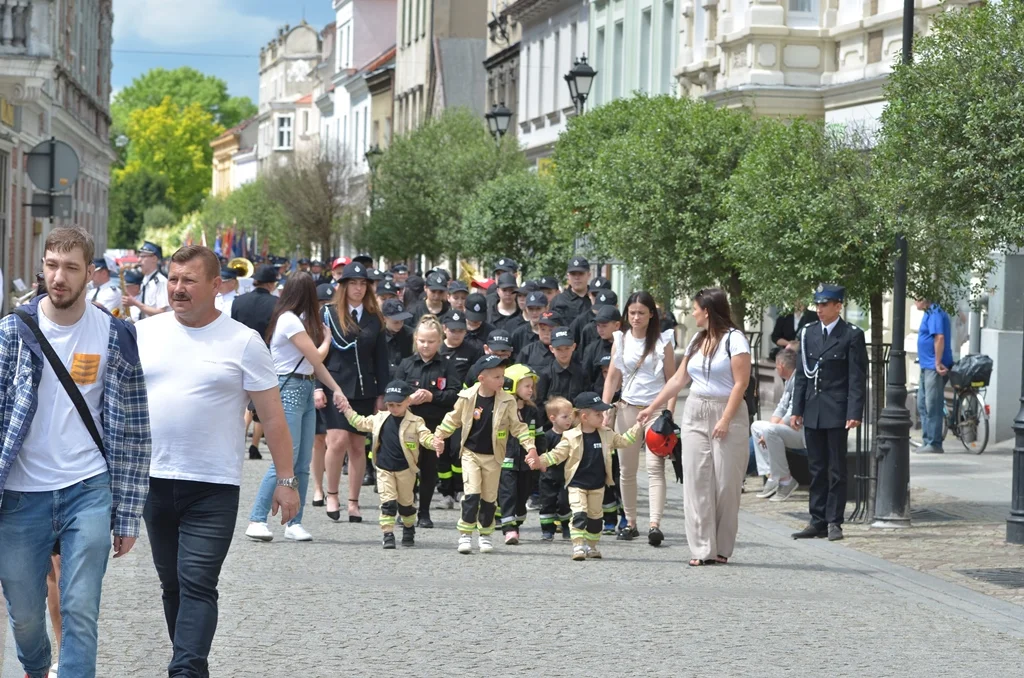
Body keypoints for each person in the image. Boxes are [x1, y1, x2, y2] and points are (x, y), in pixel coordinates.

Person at [136, 246, 300, 676]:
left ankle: (184, 671)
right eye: (173, 279)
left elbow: (274, 419)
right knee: (172, 586)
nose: (178, 288)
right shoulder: (145, 333)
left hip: (213, 486)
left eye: (189, 280)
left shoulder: (243, 341)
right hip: (154, 481)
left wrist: (287, 480)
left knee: (197, 583)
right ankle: (192, 666)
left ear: (215, 285)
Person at [0, 227, 151, 678]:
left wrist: (127, 515)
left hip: (88, 487)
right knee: (25, 612)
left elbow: (134, 432)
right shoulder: (12, 331)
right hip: (21, 494)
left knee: (80, 606)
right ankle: (37, 666)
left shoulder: (114, 334)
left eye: (70, 267)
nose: (58, 277)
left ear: (90, 272)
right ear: (41, 268)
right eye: (51, 266)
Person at [639, 288, 751, 566]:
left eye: (696, 308)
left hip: (728, 410)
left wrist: (725, 419)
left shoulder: (735, 340)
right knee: (696, 481)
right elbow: (678, 380)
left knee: (726, 483)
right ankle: (702, 549)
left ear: (708, 311)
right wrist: (653, 407)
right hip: (696, 410)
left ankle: (722, 547)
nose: (692, 313)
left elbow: (741, 383)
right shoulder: (696, 341)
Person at [245, 274, 349, 543]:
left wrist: (335, 389)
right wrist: (327, 339)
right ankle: (257, 518)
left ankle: (294, 521)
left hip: (304, 387)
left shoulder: (296, 320)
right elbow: (316, 356)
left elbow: (314, 366)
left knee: (302, 461)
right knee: (285, 459)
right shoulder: (289, 320)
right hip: (289, 389)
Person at [432, 354, 537, 553]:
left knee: (489, 499)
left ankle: (485, 534)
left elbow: (519, 427)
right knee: (471, 494)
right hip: (471, 454)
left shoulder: (507, 401)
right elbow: (452, 419)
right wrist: (439, 437)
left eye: (502, 376)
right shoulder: (466, 398)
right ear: (482, 379)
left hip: (494, 457)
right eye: (497, 377)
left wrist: (530, 447)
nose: (502, 380)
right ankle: (465, 534)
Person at [790, 284, 867, 542]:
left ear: (838, 306)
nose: (819, 310)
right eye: (818, 305)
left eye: (825, 305)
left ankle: (835, 521)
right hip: (813, 408)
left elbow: (857, 378)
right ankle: (817, 519)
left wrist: (854, 411)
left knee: (836, 468)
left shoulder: (851, 335)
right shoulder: (809, 333)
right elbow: (801, 375)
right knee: (816, 467)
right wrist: (796, 409)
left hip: (836, 410)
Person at [528, 392, 640, 561]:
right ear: (585, 417)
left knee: (595, 519)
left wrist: (638, 425)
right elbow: (556, 455)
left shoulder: (606, 434)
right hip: (577, 484)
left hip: (597, 485)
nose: (602, 417)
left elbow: (624, 441)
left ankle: (592, 546)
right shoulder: (570, 437)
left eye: (602, 413)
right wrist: (539, 461)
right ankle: (578, 546)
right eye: (598, 414)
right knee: (579, 514)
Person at [602, 292, 676, 545]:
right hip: (628, 408)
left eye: (641, 313)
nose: (635, 317)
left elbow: (672, 381)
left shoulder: (663, 341)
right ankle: (631, 522)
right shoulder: (620, 340)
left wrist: (668, 412)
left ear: (651, 314)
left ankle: (655, 524)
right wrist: (605, 407)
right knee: (627, 469)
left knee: (655, 468)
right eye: (632, 313)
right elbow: (613, 377)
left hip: (655, 409)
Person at [319, 261, 390, 523]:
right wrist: (318, 387)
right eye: (353, 284)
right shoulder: (328, 315)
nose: (358, 289)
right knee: (337, 442)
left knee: (359, 445)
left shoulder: (374, 317)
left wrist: (382, 393)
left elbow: (381, 358)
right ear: (343, 286)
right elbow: (319, 355)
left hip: (364, 388)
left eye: (363, 284)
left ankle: (354, 501)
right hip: (336, 387)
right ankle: (332, 494)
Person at [342, 381, 435, 548]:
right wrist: (347, 410)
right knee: (388, 503)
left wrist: (434, 442)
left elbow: (425, 436)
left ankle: (408, 528)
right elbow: (360, 423)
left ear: (408, 401)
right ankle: (388, 534)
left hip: (406, 470)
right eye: (390, 404)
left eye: (398, 405)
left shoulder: (416, 421)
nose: (393, 408)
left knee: (406, 505)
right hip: (384, 469)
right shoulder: (380, 418)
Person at [393, 315, 461, 528]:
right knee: (407, 468)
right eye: (422, 341)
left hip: (434, 426)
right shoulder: (406, 364)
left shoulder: (446, 366)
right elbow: (394, 392)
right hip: (408, 426)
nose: (426, 345)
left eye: (431, 341)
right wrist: (408, 399)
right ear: (415, 339)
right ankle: (406, 508)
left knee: (429, 469)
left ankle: (424, 512)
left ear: (439, 341)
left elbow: (455, 394)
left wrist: (433, 397)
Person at [232, 264, 281, 460]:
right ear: (271, 284)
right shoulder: (277, 303)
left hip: (239, 353)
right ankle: (254, 445)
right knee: (260, 403)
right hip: (265, 354)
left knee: (242, 403)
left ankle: (238, 441)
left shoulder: (238, 301)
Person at [498, 364, 545, 545]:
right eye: (526, 386)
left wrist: (541, 457)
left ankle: (516, 522)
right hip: (506, 462)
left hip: (527, 464)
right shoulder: (502, 410)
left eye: (532, 386)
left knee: (522, 496)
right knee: (508, 494)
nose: (531, 390)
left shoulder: (532, 411)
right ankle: (510, 530)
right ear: (512, 385)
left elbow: (539, 436)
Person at [750, 346, 803, 501]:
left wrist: (770, 430)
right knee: (757, 426)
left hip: (800, 431)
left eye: (776, 365)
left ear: (781, 365)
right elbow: (781, 407)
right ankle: (772, 474)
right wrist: (769, 427)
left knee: (769, 431)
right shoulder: (789, 380)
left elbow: (791, 412)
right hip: (787, 428)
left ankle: (786, 480)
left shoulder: (799, 380)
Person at [311, 282, 338, 507]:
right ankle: (318, 487)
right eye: (322, 303)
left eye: (330, 303)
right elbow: (313, 362)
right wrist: (317, 387)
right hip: (317, 385)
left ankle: (332, 489)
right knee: (318, 441)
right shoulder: (310, 326)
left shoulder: (341, 322)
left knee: (334, 441)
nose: (325, 307)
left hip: (337, 385)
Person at [915, 298, 953, 454]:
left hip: (934, 367)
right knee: (922, 404)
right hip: (926, 365)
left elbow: (940, 338)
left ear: (925, 299)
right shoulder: (928, 312)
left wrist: (937, 363)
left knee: (932, 404)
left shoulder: (935, 312)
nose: (914, 302)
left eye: (916, 298)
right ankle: (927, 440)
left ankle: (934, 443)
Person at [539, 397, 574, 540]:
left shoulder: (573, 436)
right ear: (552, 418)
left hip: (567, 477)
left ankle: (567, 527)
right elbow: (542, 455)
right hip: (548, 478)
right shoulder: (547, 436)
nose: (569, 420)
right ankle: (548, 530)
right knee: (547, 504)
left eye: (571, 416)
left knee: (565, 503)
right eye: (565, 417)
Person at [536, 326, 588, 415]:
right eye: (559, 349)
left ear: (573, 347)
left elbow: (586, 403)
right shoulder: (545, 374)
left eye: (567, 348)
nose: (563, 353)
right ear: (552, 349)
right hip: (551, 424)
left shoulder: (582, 373)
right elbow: (539, 405)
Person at [123, 240, 169, 319]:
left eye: (143, 256)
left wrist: (135, 303)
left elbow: (162, 313)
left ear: (154, 259)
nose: (139, 260)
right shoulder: (145, 279)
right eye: (139, 256)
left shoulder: (161, 282)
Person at [550, 256, 592, 323]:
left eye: (581, 273)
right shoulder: (558, 301)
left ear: (589, 275)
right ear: (568, 276)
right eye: (573, 274)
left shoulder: (596, 299)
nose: (577, 277)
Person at [382, 298, 415, 378]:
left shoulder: (411, 335)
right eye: (395, 322)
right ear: (384, 319)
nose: (399, 324)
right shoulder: (377, 336)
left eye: (402, 321)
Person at [511, 290, 549, 357]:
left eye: (538, 309)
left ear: (546, 308)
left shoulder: (554, 331)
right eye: (531, 309)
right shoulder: (518, 334)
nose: (534, 312)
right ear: (526, 309)